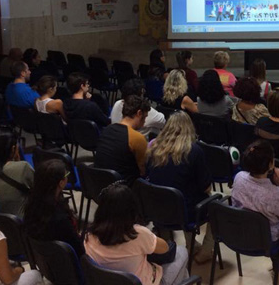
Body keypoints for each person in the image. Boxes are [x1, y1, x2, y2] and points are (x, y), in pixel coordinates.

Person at [84, 182, 189, 285]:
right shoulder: (137, 234)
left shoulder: (88, 237)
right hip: (146, 281)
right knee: (182, 252)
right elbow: (165, 248)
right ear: (132, 208)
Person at [146, 111, 214, 263]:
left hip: (156, 209)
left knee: (183, 196)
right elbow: (206, 187)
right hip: (185, 212)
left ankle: (185, 244)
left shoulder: (153, 147)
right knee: (215, 204)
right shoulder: (194, 151)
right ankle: (206, 251)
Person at [231, 140, 279, 280]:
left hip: (239, 234)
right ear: (271, 164)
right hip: (267, 241)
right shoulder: (275, 194)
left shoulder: (239, 178)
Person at [23, 160, 84, 257]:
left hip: (44, 259)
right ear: (61, 183)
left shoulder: (30, 206)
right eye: (66, 175)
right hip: (66, 260)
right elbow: (79, 250)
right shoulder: (60, 218)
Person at [95, 95, 150, 183]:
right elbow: (143, 171)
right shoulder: (137, 138)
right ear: (139, 113)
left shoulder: (106, 130)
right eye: (145, 117)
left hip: (97, 182)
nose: (144, 122)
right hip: (123, 187)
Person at [0, 128, 34, 216]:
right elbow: (40, 190)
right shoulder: (23, 167)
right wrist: (18, 162)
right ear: (13, 149)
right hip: (21, 221)